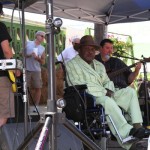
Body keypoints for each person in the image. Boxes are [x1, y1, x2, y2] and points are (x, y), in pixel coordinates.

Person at [65, 35, 149, 150]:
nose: (90, 52)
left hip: (105, 93)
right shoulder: (71, 64)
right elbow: (77, 85)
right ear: (79, 50)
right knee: (107, 101)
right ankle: (127, 133)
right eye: (87, 49)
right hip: (88, 98)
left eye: (92, 50)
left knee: (129, 92)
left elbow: (106, 81)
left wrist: (109, 90)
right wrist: (105, 91)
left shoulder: (99, 65)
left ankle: (137, 126)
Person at [0, 3, 20, 127]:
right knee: (3, 113)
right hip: (1, 76)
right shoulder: (0, 27)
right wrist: (15, 67)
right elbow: (7, 51)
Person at [25, 31, 46, 111]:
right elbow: (21, 53)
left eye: (44, 37)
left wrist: (38, 58)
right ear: (36, 36)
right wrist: (30, 55)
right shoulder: (28, 43)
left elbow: (43, 61)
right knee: (26, 88)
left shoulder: (42, 48)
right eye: (42, 36)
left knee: (38, 88)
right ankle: (26, 105)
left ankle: (36, 106)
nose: (43, 38)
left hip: (37, 70)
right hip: (26, 69)